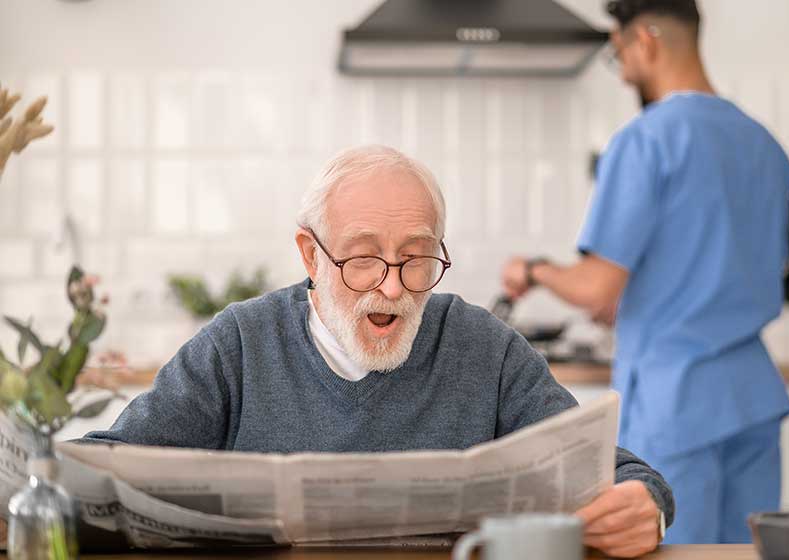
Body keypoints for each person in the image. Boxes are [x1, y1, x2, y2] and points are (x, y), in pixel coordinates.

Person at [85, 145, 674, 558]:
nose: (391, 287)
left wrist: (642, 504)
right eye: (362, 257)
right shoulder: (239, 343)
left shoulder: (484, 347)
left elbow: (620, 472)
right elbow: (101, 469)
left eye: (416, 257)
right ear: (311, 257)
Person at [502, 0, 789, 545]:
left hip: (676, 399)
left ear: (647, 42)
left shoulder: (645, 140)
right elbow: (726, 262)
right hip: (753, 395)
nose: (624, 74)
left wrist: (534, 268)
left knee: (671, 554)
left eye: (620, 57)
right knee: (744, 556)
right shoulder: (765, 145)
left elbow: (595, 286)